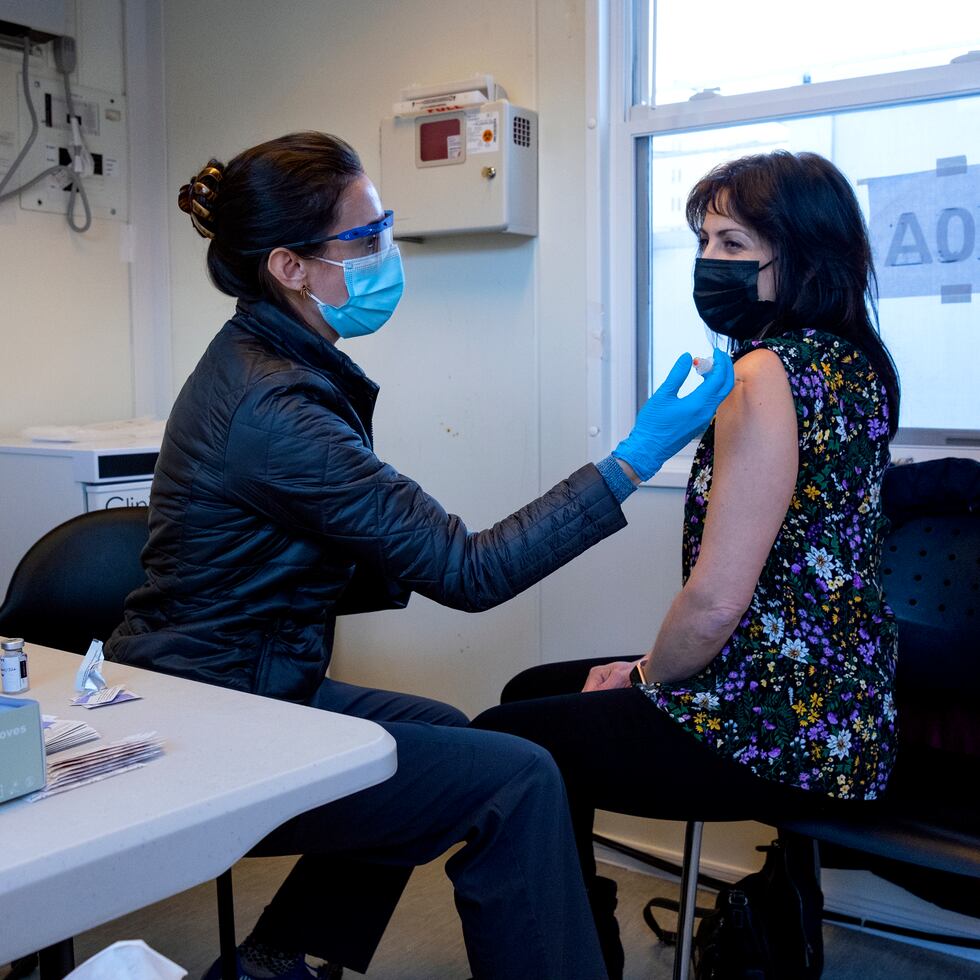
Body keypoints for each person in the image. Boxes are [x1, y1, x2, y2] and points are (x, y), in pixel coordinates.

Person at [104, 131, 734, 980]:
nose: (384, 255)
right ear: (290, 267)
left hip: (241, 675)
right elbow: (469, 572)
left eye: (385, 227)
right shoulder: (274, 408)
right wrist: (630, 462)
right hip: (213, 714)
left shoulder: (271, 359)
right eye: (362, 241)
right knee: (517, 779)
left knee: (438, 730)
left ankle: (277, 958)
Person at [472, 149, 902, 978]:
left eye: (736, 245)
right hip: (845, 716)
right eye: (705, 240)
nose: (710, 263)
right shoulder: (859, 366)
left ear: (803, 255)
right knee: (536, 693)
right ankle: (579, 940)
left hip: (777, 725)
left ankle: (567, 959)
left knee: (506, 743)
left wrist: (639, 676)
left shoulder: (763, 375)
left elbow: (712, 605)